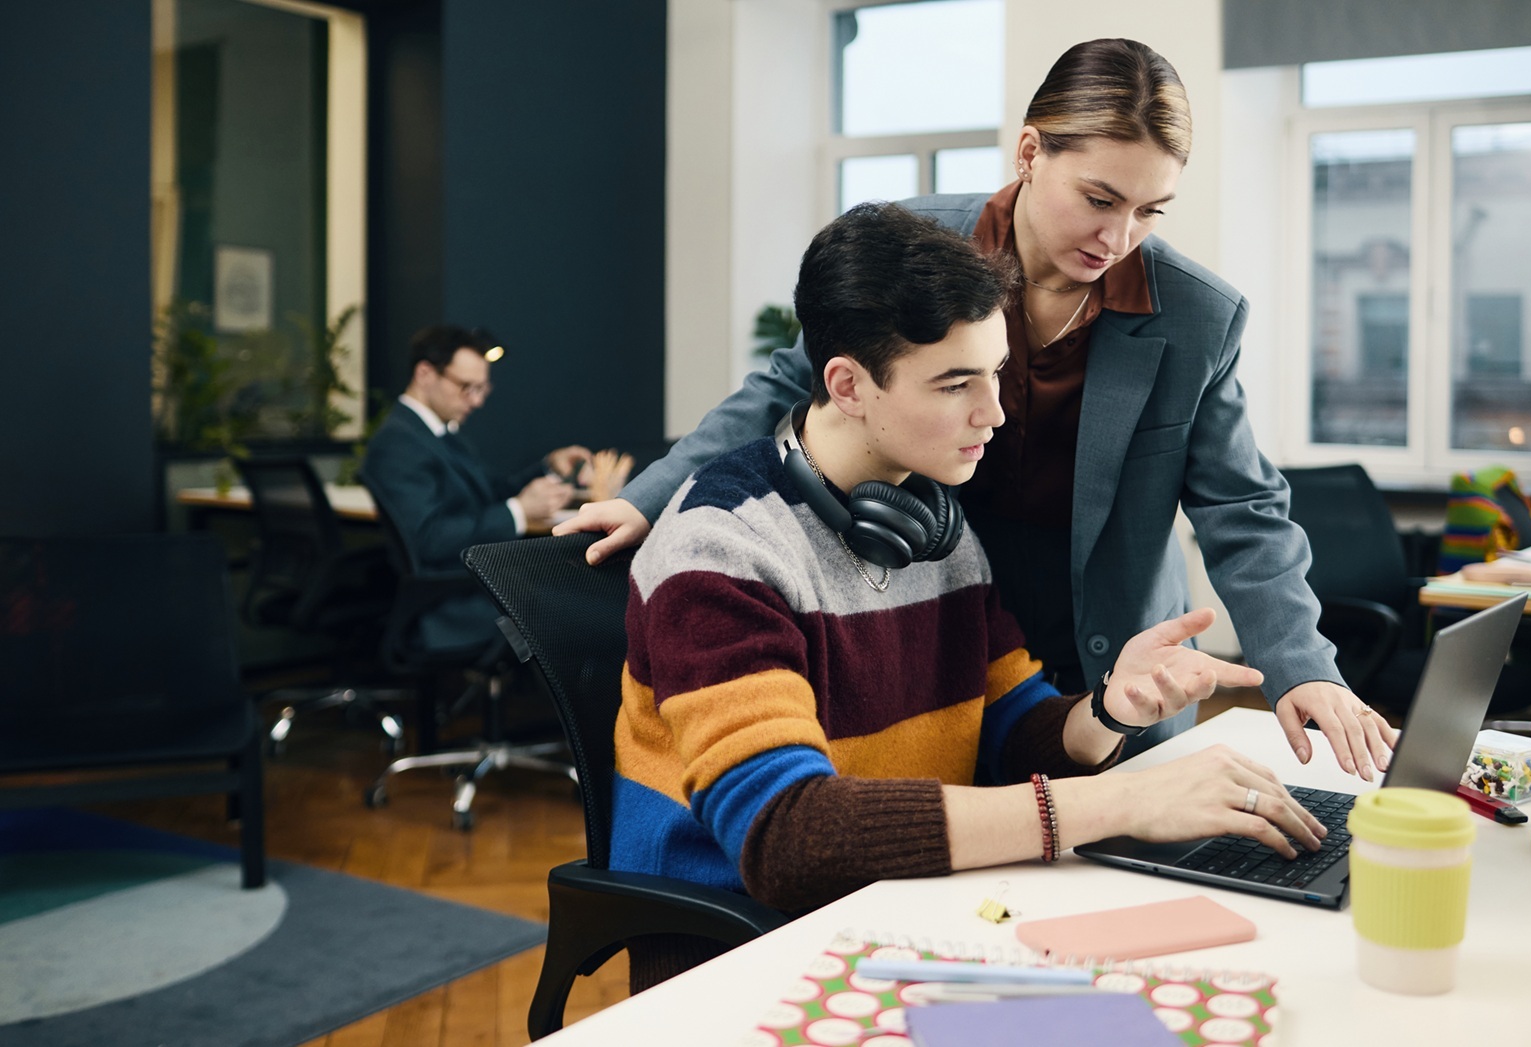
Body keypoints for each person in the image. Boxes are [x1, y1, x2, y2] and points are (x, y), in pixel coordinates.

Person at [563, 37, 1399, 780]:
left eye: (1149, 212)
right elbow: (794, 381)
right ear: (1030, 151)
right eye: (1101, 198)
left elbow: (1244, 507)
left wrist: (1304, 665)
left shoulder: (1196, 316)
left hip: (1109, 654)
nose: (1119, 238)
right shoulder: (912, 248)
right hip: (944, 613)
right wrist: (650, 497)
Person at [611, 202, 1325, 990]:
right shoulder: (722, 550)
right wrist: (1121, 803)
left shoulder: (930, 525)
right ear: (847, 384)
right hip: (746, 962)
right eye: (957, 383)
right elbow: (790, 837)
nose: (994, 412)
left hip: (908, 919)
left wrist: (1110, 710)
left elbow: (1012, 725)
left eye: (995, 372)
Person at [362, 324, 594, 650]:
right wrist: (519, 512)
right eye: (466, 387)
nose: (476, 401)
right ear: (425, 373)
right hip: (448, 604)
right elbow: (429, 538)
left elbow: (492, 490)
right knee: (581, 611)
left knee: (578, 600)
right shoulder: (399, 443)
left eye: (482, 389)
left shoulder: (436, 435)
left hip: (470, 587)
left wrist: (547, 467)